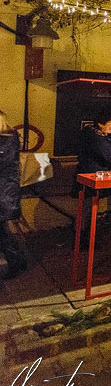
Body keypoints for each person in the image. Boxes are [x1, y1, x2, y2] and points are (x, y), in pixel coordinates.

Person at [73, 110, 111, 228]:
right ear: (101, 124)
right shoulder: (97, 139)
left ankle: (84, 235)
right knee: (88, 208)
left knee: (87, 208)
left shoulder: (92, 134)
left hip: (88, 175)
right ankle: (84, 238)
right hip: (93, 176)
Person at [0, 110, 26, 278]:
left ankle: (17, 263)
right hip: (4, 192)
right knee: (3, 232)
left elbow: (4, 162)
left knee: (3, 232)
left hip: (4, 194)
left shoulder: (8, 140)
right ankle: (18, 262)